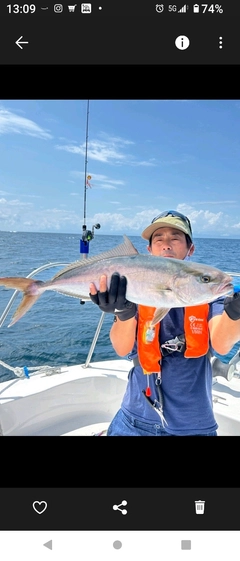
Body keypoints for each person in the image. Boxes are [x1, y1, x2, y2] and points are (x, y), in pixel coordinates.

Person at [89, 210, 240, 436]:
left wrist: (235, 313)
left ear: (191, 249)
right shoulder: (134, 290)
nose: (166, 244)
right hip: (134, 418)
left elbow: (221, 345)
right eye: (158, 239)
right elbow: (122, 348)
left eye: (175, 238)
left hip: (193, 424)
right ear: (149, 250)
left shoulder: (209, 295)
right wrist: (123, 311)